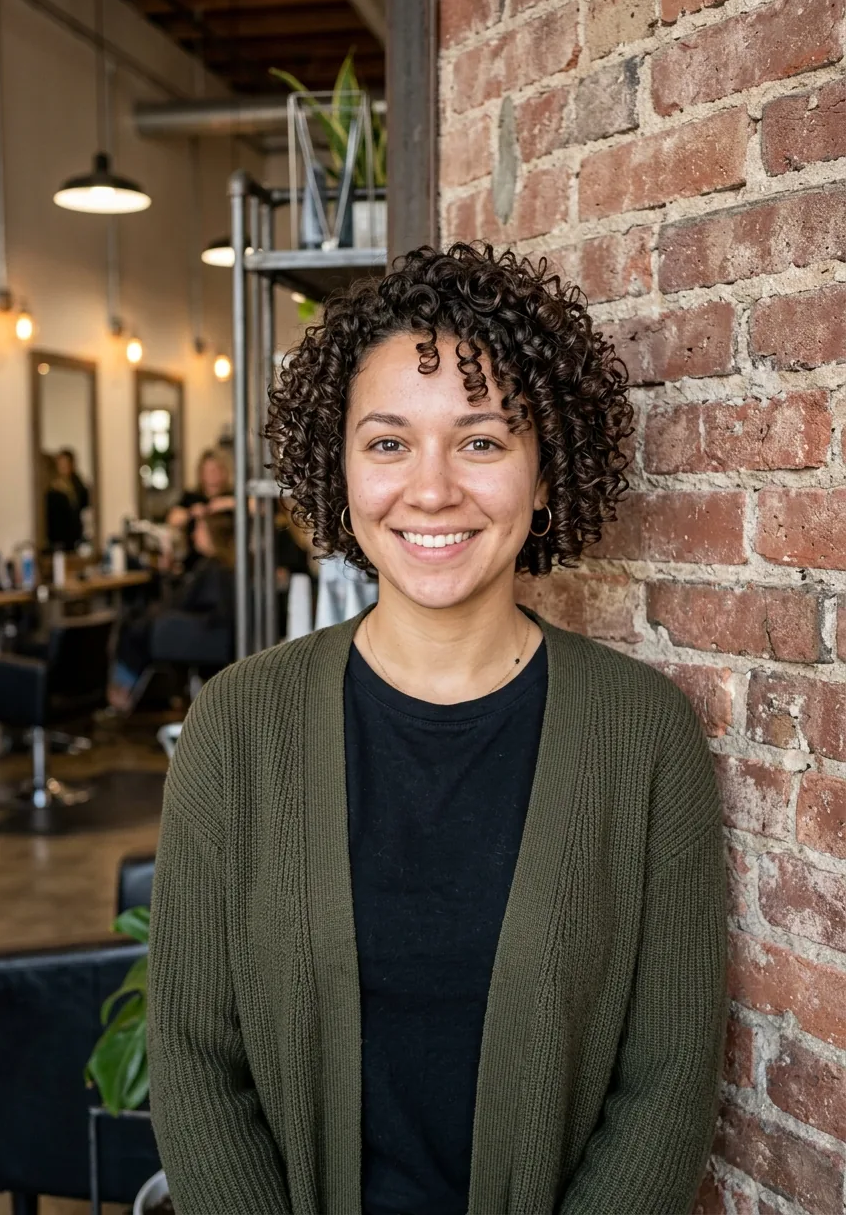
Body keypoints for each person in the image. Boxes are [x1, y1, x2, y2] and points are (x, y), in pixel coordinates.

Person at [147, 243, 728, 1215]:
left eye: (481, 441)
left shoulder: (642, 737)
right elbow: (194, 1059)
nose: (429, 489)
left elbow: (666, 1081)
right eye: (386, 443)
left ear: (544, 474)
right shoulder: (238, 725)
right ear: (338, 468)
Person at [108, 510, 235, 712]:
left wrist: (165, 575)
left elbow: (179, 602)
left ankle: (121, 696)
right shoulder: (220, 565)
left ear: (212, 534)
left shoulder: (213, 568)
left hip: (204, 633)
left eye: (200, 530)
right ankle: (130, 693)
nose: (194, 535)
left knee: (134, 625)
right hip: (209, 631)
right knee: (137, 622)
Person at [166, 446, 234, 570]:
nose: (212, 475)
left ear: (224, 471)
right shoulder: (192, 497)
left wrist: (228, 503)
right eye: (207, 471)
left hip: (227, 562)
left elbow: (261, 507)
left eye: (216, 470)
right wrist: (192, 512)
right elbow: (173, 519)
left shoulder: (232, 496)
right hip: (196, 563)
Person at [42, 452, 83, 551]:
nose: (63, 468)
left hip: (70, 542)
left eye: (65, 464)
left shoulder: (76, 486)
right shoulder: (51, 492)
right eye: (60, 464)